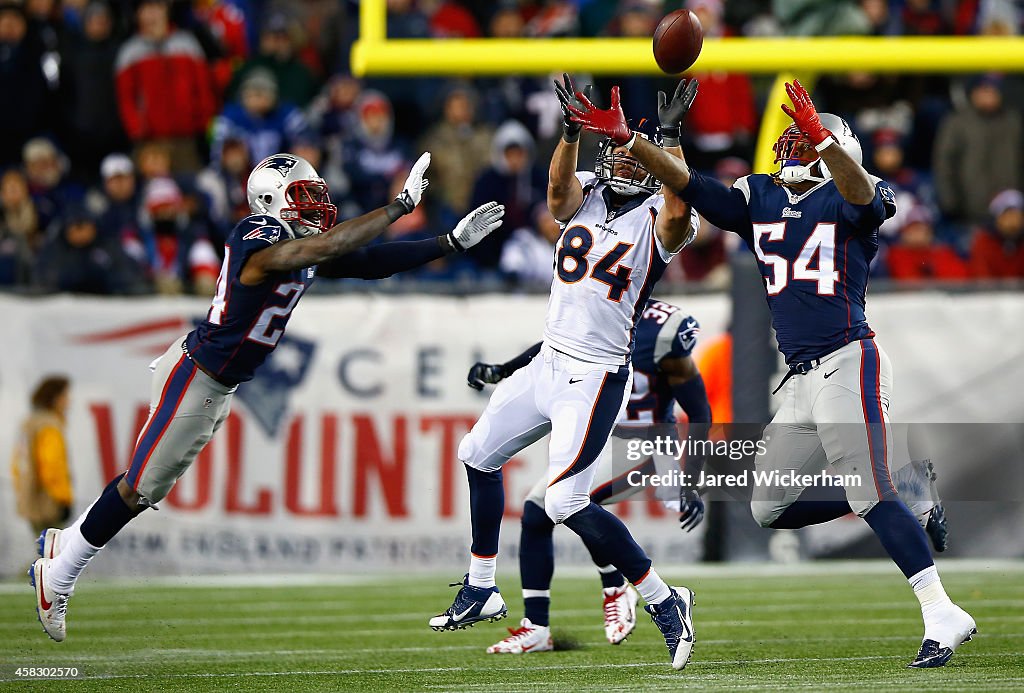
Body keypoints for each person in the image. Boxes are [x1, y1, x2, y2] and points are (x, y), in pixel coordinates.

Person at [569, 77, 976, 668]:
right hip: (800, 377)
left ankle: (942, 612)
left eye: (805, 138)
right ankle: (907, 487)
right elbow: (686, 183)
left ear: (833, 148)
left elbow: (863, 197)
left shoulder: (852, 195)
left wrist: (829, 147)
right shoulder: (758, 197)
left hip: (846, 358)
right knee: (770, 505)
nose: (791, 144)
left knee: (866, 487)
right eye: (794, 137)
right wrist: (638, 140)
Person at [30, 151, 506, 642]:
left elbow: (369, 263)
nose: (316, 206)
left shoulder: (301, 242)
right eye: (304, 196)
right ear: (269, 200)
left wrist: (447, 243)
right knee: (138, 488)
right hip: (197, 375)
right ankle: (59, 575)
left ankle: (63, 544)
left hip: (216, 381)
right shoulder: (261, 234)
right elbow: (306, 255)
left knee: (146, 482)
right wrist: (396, 207)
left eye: (318, 195)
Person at [429, 74, 701, 671]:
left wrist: (672, 137)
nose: (625, 163)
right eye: (621, 152)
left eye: (637, 155)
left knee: (565, 500)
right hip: (550, 358)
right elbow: (556, 189)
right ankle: (481, 585)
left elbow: (681, 206)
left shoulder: (659, 215)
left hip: (596, 373)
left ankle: (663, 599)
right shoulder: (589, 196)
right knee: (476, 453)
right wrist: (573, 132)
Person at [473, 298, 711, 654]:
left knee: (566, 504)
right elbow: (554, 349)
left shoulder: (665, 329)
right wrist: (505, 370)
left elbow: (699, 410)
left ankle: (618, 588)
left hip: (643, 442)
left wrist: (690, 478)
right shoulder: (597, 305)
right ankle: (537, 626)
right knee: (537, 513)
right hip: (600, 434)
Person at [12, 376, 73, 535]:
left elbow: (16, 465)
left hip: (32, 501)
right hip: (48, 505)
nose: (69, 401)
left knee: (43, 552)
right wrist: (64, 499)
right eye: (65, 395)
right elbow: (52, 467)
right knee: (52, 556)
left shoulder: (30, 422)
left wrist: (24, 492)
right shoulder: (50, 427)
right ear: (55, 398)